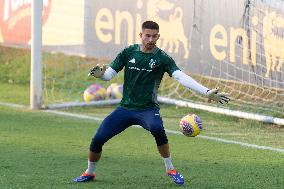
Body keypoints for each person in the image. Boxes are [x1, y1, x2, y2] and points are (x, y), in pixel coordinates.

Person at [73, 20, 229, 185]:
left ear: (158, 36)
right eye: (147, 36)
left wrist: (206, 92)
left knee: (157, 128)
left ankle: (170, 168)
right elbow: (108, 75)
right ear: (141, 35)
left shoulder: (162, 58)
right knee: (98, 138)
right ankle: (90, 172)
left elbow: (181, 77)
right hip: (125, 109)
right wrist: (99, 75)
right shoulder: (128, 52)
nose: (150, 39)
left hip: (147, 109)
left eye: (154, 36)